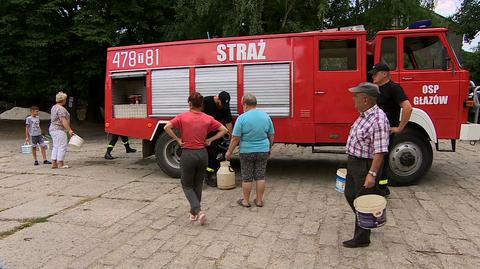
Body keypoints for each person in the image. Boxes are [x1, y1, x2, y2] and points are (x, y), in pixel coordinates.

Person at [164, 92, 228, 225]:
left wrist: (177, 139)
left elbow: (167, 127)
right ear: (202, 105)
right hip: (202, 154)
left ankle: (198, 211)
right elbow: (224, 130)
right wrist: (210, 139)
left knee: (186, 185)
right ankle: (193, 213)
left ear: (190, 104)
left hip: (188, 154)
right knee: (198, 184)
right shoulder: (207, 118)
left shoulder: (182, 117)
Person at [343, 82, 390, 248]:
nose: (353, 99)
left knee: (362, 200)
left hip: (365, 165)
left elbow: (380, 151)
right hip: (355, 161)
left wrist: (372, 174)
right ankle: (366, 219)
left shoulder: (378, 119)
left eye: (355, 96)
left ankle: (362, 237)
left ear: (365, 99)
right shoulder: (364, 115)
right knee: (349, 194)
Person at [370, 63, 412, 195]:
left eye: (375, 73)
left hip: (386, 132)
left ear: (384, 74)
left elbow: (407, 107)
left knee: (382, 160)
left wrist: (400, 128)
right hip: (376, 131)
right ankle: (378, 187)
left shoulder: (394, 88)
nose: (373, 76)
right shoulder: (377, 89)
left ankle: (382, 189)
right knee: (376, 159)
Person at [226, 93, 274, 208]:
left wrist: (229, 152)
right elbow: (271, 134)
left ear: (246, 105)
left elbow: (235, 138)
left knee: (247, 177)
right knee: (260, 176)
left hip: (247, 151)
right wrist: (269, 147)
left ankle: (246, 201)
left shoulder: (242, 118)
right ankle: (259, 201)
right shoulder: (265, 116)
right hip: (263, 150)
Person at [203, 91, 233, 187]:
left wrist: (230, 138)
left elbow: (228, 122)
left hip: (215, 134)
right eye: (221, 104)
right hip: (203, 132)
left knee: (214, 155)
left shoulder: (225, 106)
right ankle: (199, 176)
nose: (223, 107)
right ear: (217, 99)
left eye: (225, 105)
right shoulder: (206, 101)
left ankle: (209, 176)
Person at [49, 91, 74, 169]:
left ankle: (54, 163)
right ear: (63, 100)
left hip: (52, 129)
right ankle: (60, 163)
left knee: (56, 146)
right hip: (59, 130)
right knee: (62, 146)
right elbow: (63, 120)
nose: (66, 100)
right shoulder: (61, 109)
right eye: (65, 99)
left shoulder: (54, 107)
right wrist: (69, 130)